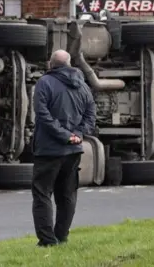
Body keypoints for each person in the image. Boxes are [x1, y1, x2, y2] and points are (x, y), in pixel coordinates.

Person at [31, 49, 96, 247]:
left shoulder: (44, 83)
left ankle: (47, 241)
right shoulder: (83, 85)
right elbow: (91, 114)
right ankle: (62, 236)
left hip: (49, 150)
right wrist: (77, 135)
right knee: (67, 195)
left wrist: (65, 136)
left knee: (42, 194)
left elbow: (42, 114)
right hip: (73, 151)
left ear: (51, 64)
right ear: (69, 64)